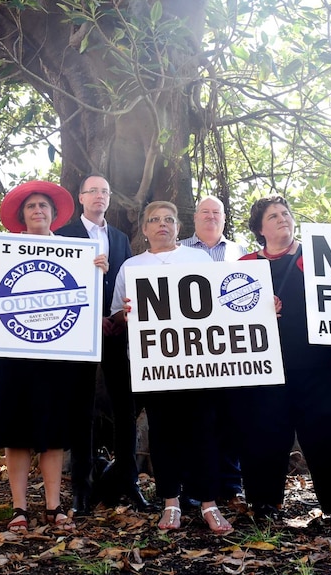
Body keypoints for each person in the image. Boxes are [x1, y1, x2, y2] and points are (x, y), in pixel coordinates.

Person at [0, 180, 108, 532]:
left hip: (56, 358)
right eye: (31, 206)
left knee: (52, 433)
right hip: (12, 356)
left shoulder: (77, 251)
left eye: (43, 206)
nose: (38, 210)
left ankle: (53, 505)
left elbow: (88, 300)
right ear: (22, 215)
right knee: (15, 432)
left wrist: (97, 273)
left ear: (53, 215)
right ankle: (19, 508)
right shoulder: (0, 251)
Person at [237, 195, 331, 527]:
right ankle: (265, 503)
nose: (282, 218)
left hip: (324, 366)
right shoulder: (245, 265)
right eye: (273, 216)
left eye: (285, 213)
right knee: (264, 434)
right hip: (266, 368)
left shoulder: (321, 256)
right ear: (259, 228)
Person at [110, 201, 232, 534]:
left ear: (178, 227)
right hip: (155, 367)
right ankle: (170, 503)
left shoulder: (199, 259)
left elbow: (220, 307)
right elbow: (117, 320)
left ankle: (210, 504)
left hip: (200, 364)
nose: (162, 224)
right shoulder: (130, 267)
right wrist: (127, 313)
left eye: (169, 219)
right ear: (144, 229)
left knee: (204, 432)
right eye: (154, 220)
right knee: (164, 434)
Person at [55, 174, 153, 516]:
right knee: (81, 411)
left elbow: (124, 285)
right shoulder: (63, 236)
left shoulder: (120, 238)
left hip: (116, 334)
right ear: (81, 197)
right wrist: (91, 317)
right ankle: (81, 488)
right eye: (93, 190)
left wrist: (116, 317)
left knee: (125, 408)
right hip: (77, 335)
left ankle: (129, 480)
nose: (99, 196)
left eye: (105, 192)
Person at [178, 195, 247, 509]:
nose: (210, 217)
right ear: (194, 219)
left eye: (216, 212)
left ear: (223, 217)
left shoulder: (239, 252)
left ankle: (231, 486)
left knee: (231, 418)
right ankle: (193, 487)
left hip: (231, 347)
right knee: (195, 420)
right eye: (204, 212)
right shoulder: (177, 251)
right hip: (189, 349)